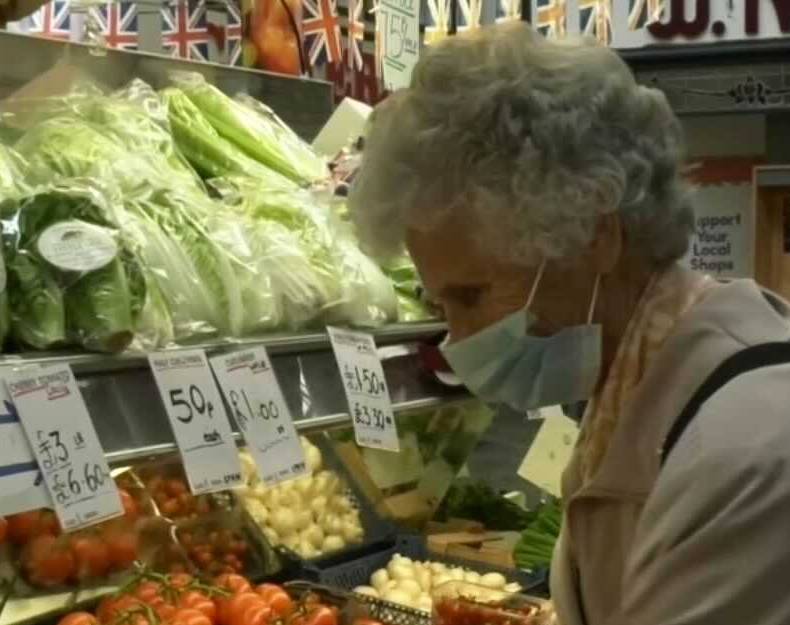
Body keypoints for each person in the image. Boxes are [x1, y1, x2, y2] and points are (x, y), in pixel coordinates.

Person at [348, 22, 790, 625]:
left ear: (595, 238)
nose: (457, 339)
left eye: (472, 296)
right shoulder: (635, 387)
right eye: (439, 307)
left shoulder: (746, 445)